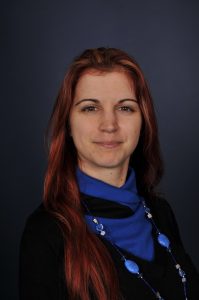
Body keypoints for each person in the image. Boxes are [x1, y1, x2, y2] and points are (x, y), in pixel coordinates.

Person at [19, 47, 199, 300]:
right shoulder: (46, 233)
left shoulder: (160, 213)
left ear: (143, 120)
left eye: (125, 108)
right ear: (68, 124)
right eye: (90, 108)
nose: (109, 125)